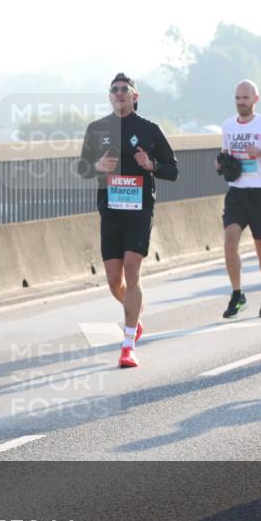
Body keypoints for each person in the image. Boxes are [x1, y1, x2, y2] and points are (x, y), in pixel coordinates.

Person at [78, 72, 178, 368]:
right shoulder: (96, 129)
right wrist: (96, 166)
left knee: (133, 272)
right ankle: (133, 314)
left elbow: (173, 170)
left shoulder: (149, 130)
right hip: (110, 210)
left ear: (136, 96)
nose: (120, 93)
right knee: (114, 282)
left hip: (139, 209)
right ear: (110, 96)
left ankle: (127, 343)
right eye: (115, 89)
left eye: (125, 89)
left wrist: (152, 165)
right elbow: (82, 168)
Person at [219, 80, 261, 319]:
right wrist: (222, 163)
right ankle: (237, 294)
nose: (241, 102)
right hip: (237, 192)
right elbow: (226, 155)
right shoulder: (228, 126)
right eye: (237, 98)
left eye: (245, 98)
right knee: (230, 242)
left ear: (255, 99)